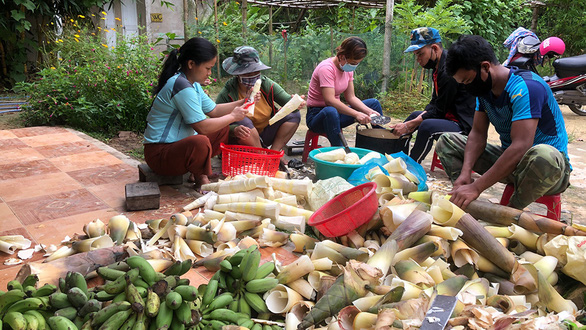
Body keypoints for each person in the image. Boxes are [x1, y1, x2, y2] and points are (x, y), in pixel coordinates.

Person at [437, 34, 571, 210]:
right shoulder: (483, 90)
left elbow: (521, 146)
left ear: (485, 67)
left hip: (550, 171)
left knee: (544, 155)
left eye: (468, 80)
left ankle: (508, 213)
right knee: (447, 142)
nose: (467, 87)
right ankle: (463, 197)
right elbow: (477, 135)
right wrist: (465, 173)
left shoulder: (526, 87)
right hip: (514, 166)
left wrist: (478, 186)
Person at [143, 37, 249, 187]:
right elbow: (202, 127)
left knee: (222, 128)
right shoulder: (180, 85)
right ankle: (201, 176)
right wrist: (233, 116)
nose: (210, 73)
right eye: (207, 68)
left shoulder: (192, 84)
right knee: (200, 141)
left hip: (176, 148)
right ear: (191, 64)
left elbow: (215, 110)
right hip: (159, 155)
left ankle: (196, 172)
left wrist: (244, 101)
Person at [390, 27, 476, 164]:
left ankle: (411, 165)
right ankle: (395, 158)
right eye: (416, 55)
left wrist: (410, 125)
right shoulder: (438, 67)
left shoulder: (449, 70)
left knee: (427, 126)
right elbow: (435, 101)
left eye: (420, 54)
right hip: (447, 117)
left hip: (462, 124)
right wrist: (411, 122)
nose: (418, 59)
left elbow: (439, 110)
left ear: (435, 48)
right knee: (414, 116)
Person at [216, 46, 304, 155]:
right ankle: (262, 157)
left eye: (255, 72)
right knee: (243, 120)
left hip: (264, 135)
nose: (253, 76)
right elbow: (215, 124)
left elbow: (287, 102)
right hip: (240, 140)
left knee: (294, 115)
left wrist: (296, 102)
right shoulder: (227, 93)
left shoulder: (266, 84)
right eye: (248, 73)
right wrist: (233, 130)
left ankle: (273, 154)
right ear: (237, 73)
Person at [306, 36, 383, 146]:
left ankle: (381, 143)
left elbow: (351, 97)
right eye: (353, 62)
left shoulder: (347, 69)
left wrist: (368, 111)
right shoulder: (326, 68)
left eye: (357, 63)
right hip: (317, 116)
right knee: (330, 111)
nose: (354, 66)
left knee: (373, 104)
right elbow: (330, 101)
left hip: (337, 114)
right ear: (342, 57)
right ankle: (341, 150)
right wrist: (357, 114)